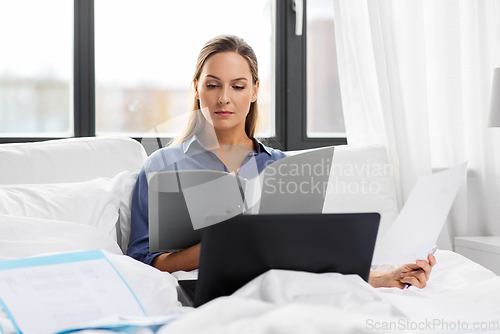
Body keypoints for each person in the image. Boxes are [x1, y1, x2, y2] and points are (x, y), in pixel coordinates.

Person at [127, 34, 436, 289]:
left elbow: (307, 258)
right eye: (212, 84)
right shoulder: (162, 165)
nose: (224, 98)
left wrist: (387, 277)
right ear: (196, 86)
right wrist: (210, 250)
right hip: (200, 292)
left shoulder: (282, 169)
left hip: (278, 290)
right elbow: (141, 259)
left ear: (254, 91)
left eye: (237, 86)